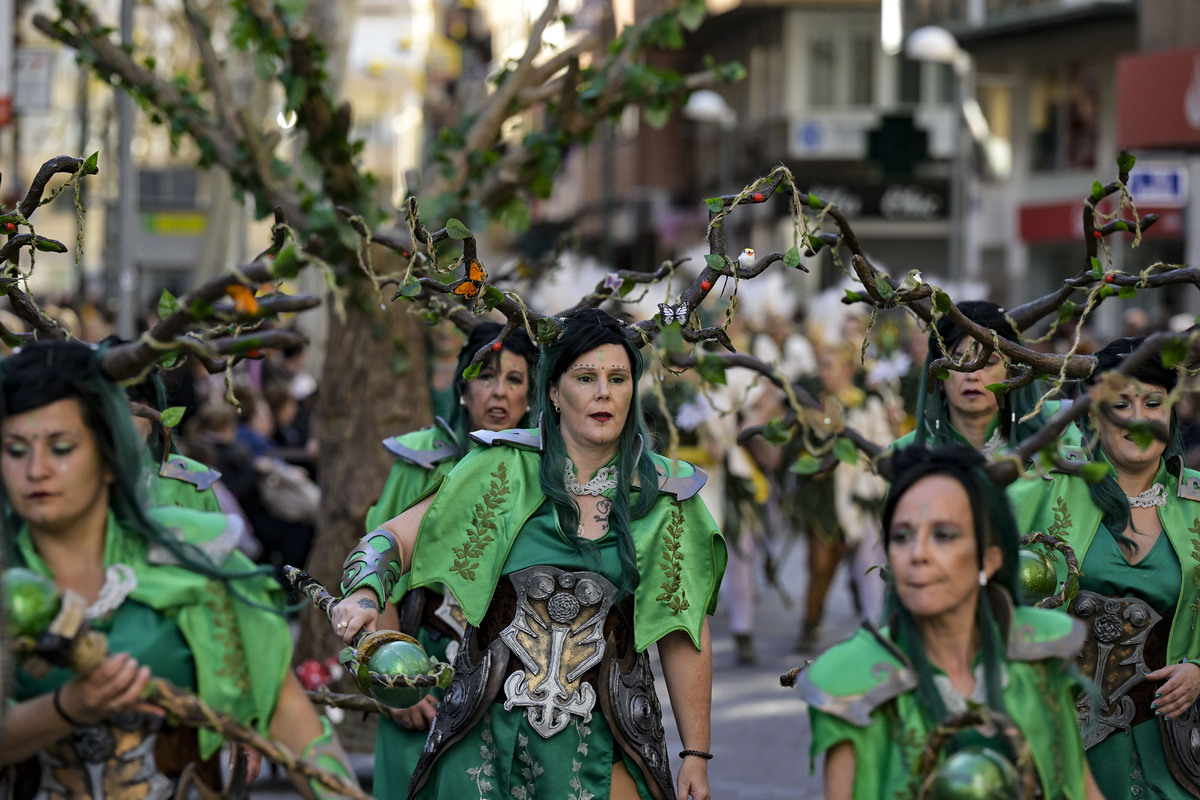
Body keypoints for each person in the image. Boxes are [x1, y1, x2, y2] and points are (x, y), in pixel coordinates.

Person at [333, 307, 726, 800]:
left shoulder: (667, 498)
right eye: (586, 377)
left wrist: (696, 753)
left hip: (603, 744)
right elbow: (390, 539)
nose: (604, 391)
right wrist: (365, 593)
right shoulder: (500, 470)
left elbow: (685, 633)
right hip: (482, 743)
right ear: (555, 393)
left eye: (617, 378)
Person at [0, 339, 355, 798]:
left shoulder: (200, 556)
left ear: (111, 457)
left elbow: (286, 712)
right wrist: (67, 708)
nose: (37, 470)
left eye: (63, 447)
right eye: (14, 449)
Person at [795, 444, 1104, 799]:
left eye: (943, 535)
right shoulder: (854, 681)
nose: (918, 554)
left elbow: (1081, 790)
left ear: (989, 560)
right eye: (902, 536)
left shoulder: (1038, 655)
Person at [1010, 337, 1200, 797]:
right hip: (1057, 741)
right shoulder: (1041, 490)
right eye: (1120, 404)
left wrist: (1199, 668)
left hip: (1172, 746)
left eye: (1153, 402)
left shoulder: (1198, 504)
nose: (1139, 418)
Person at [364, 320, 538, 800]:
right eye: (485, 376)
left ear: (532, 395)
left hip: (520, 687)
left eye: (514, 379)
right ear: (463, 387)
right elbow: (381, 568)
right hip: (425, 671)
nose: (498, 392)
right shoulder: (421, 462)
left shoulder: (553, 473)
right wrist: (394, 679)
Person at [895, 300, 1067, 454]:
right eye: (957, 362)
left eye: (989, 363)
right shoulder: (903, 455)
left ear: (1012, 373)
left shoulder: (1062, 434)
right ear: (938, 376)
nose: (973, 376)